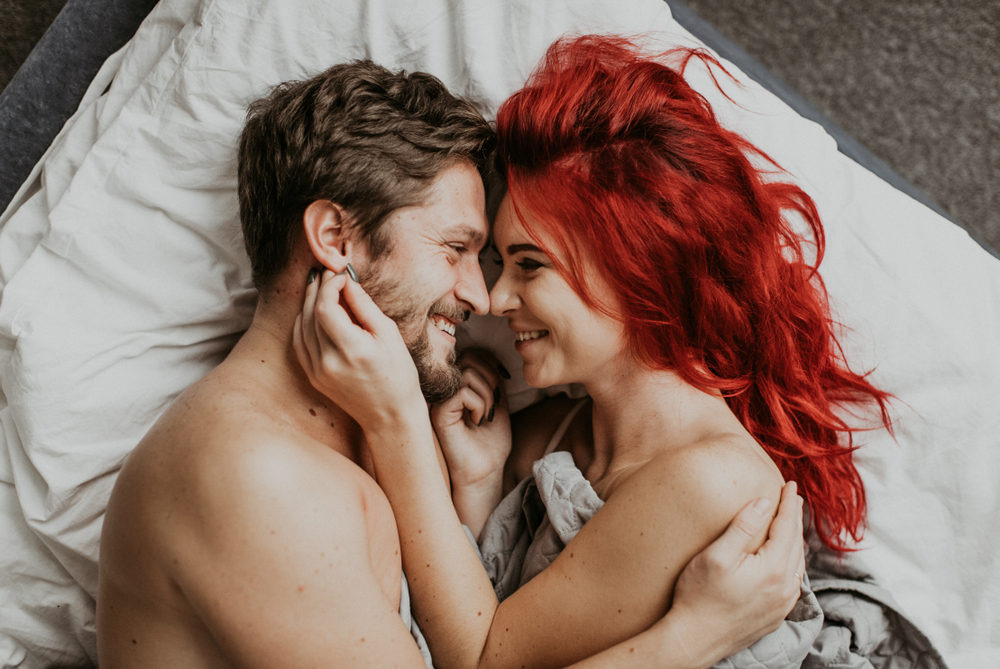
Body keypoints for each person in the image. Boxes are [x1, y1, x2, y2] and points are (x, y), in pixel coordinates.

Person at [97, 58, 804, 668]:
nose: (482, 296)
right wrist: (693, 637)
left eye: (504, 261)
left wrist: (463, 474)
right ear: (336, 238)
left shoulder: (348, 442)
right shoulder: (259, 479)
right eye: (456, 249)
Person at [295, 35, 895, 669]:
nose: (495, 299)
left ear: (639, 268)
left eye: (530, 265)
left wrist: (395, 424)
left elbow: (482, 656)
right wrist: (478, 483)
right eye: (501, 263)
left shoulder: (710, 480)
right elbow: (484, 610)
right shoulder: (550, 434)